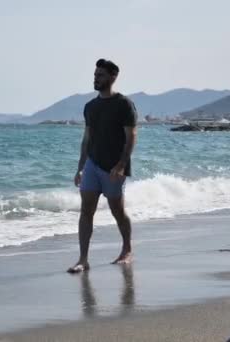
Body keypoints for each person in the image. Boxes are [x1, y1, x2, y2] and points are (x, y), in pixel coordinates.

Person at [68, 58, 138, 273]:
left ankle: (127, 250)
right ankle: (83, 259)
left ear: (112, 77)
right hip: (92, 165)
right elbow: (86, 138)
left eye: (100, 75)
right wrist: (80, 167)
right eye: (95, 75)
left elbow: (131, 136)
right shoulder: (90, 106)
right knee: (86, 211)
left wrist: (121, 165)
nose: (96, 79)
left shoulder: (124, 104)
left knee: (117, 210)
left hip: (114, 168)